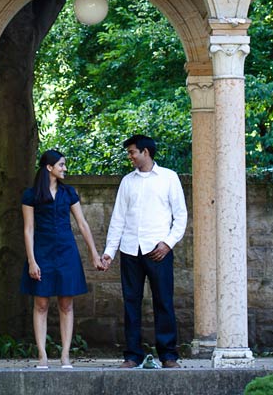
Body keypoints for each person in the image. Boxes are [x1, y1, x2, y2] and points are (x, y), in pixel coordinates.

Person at [99, 134, 188, 369]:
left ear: (145, 152)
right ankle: (132, 355)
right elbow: (118, 219)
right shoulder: (127, 181)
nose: (130, 156)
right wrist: (110, 252)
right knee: (131, 303)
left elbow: (180, 216)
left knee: (163, 302)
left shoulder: (169, 178)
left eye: (132, 152)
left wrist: (168, 243)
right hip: (130, 250)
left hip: (158, 250)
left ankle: (168, 355)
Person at [21, 149, 101, 369]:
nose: (65, 169)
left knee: (66, 304)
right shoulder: (31, 195)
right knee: (41, 304)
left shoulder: (69, 193)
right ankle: (42, 356)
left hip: (66, 252)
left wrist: (94, 253)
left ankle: (65, 356)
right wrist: (32, 261)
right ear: (49, 167)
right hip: (42, 252)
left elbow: (82, 224)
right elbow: (28, 229)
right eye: (61, 165)